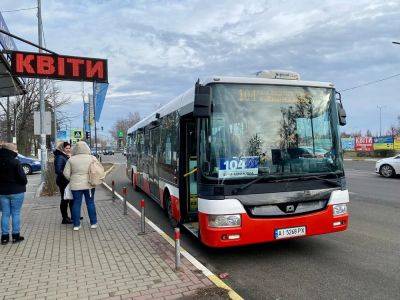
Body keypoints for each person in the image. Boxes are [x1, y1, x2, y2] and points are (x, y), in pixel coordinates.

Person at [63, 141, 99, 231]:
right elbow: (98, 170)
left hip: (75, 186)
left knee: (76, 203)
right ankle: (93, 223)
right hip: (89, 184)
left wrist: (72, 178)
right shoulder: (92, 158)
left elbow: (66, 173)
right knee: (90, 202)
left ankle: (76, 225)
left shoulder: (71, 159)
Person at [0, 143, 27, 244]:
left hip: (2, 192)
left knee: (5, 214)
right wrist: (23, 182)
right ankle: (16, 236)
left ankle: (4, 237)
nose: (17, 151)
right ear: (11, 150)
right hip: (16, 191)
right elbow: (22, 178)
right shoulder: (15, 162)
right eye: (15, 149)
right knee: (16, 213)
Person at [54, 142, 72, 224]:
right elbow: (58, 170)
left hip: (66, 180)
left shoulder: (64, 156)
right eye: (66, 148)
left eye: (69, 148)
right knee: (64, 200)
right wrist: (67, 174)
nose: (68, 150)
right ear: (62, 148)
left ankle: (73, 216)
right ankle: (65, 218)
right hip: (63, 181)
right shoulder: (60, 157)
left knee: (69, 199)